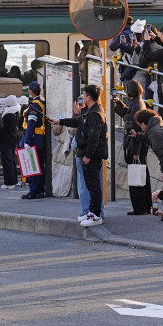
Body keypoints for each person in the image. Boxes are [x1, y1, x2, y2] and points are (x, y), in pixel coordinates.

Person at [51, 84, 108, 226]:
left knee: (93, 186)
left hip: (91, 155)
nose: (82, 97)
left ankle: (96, 215)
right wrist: (60, 121)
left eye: (84, 95)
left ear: (89, 97)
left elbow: (94, 137)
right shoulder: (91, 112)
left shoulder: (94, 114)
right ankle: (92, 212)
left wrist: (88, 155)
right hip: (88, 153)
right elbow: (77, 121)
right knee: (91, 185)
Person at [112, 80, 151, 215]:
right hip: (139, 145)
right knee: (142, 175)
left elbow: (135, 130)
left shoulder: (136, 105)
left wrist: (135, 151)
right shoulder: (137, 103)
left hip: (136, 145)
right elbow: (127, 115)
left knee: (137, 177)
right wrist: (119, 104)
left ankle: (140, 207)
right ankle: (146, 205)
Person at [19, 81, 48, 199]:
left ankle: (33, 191)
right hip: (40, 138)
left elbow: (31, 123)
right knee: (40, 166)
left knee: (33, 166)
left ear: (31, 91)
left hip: (34, 139)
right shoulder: (42, 102)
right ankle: (40, 190)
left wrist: (27, 141)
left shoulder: (35, 105)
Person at [0, 94, 21, 190]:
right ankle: (14, 180)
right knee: (11, 160)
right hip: (12, 139)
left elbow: (1, 127)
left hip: (6, 140)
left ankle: (9, 182)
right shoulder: (16, 112)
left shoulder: (8, 115)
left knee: (7, 161)